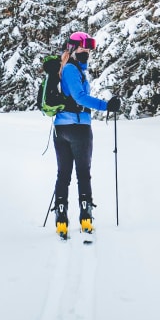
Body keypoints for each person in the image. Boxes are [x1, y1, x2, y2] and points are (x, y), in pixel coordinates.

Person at [52, 31, 120, 236]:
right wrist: (106, 105)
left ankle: (61, 216)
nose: (87, 51)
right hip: (78, 128)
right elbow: (80, 98)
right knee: (82, 172)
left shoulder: (67, 69)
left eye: (89, 48)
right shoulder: (72, 70)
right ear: (73, 49)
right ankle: (85, 216)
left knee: (63, 173)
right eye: (83, 48)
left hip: (61, 128)